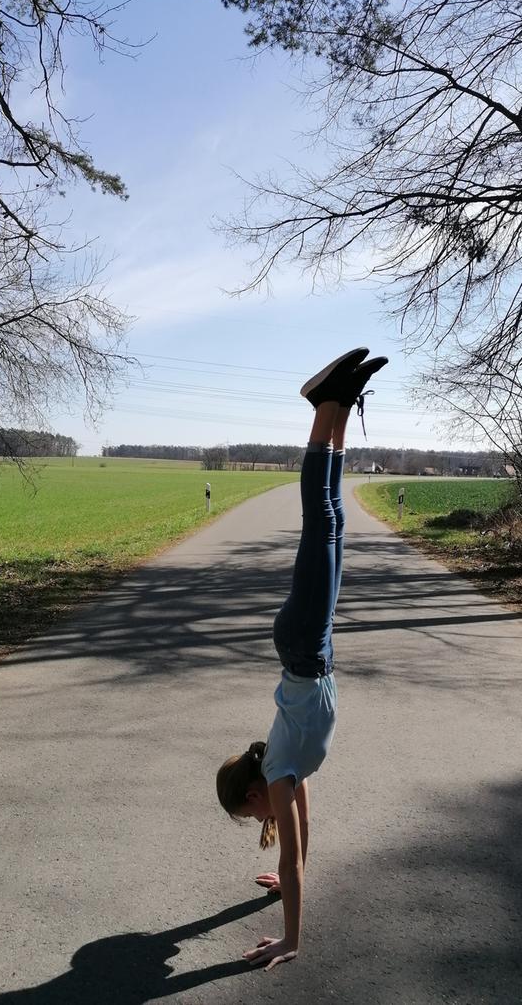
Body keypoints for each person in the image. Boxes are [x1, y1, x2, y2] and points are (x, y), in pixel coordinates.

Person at [216, 347, 388, 971]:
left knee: (321, 520)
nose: (258, 820)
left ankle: (320, 406)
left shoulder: (281, 773)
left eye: (249, 814)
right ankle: (339, 406)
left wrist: (291, 939)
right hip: (316, 649)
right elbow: (299, 852)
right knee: (334, 522)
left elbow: (289, 859)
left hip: (304, 647)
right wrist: (292, 879)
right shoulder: (291, 774)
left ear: (254, 794)